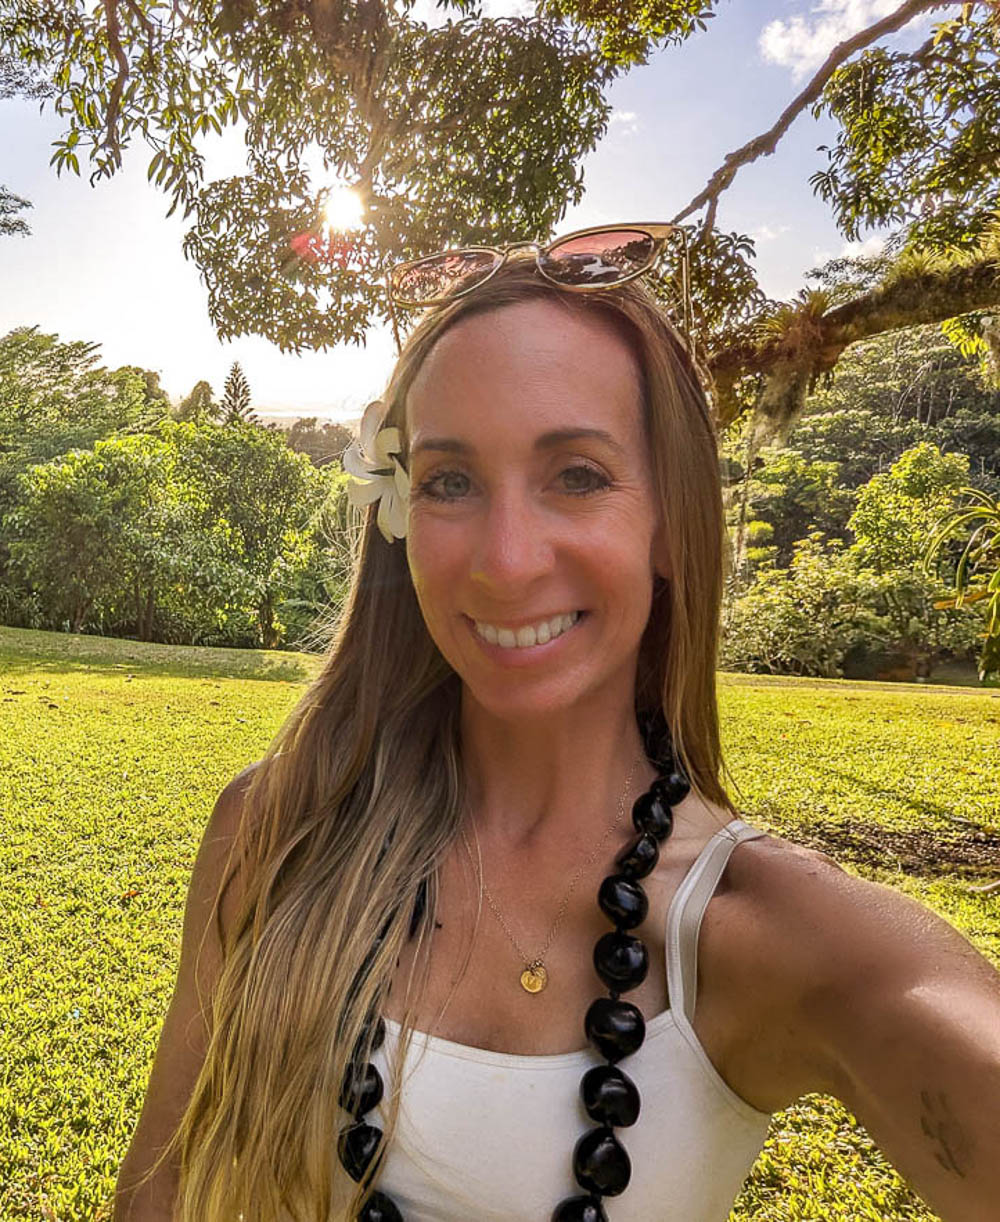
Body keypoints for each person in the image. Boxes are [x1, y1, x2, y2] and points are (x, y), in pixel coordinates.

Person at [113, 230, 1000, 1222]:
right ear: (400, 509)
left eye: (576, 474)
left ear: (668, 520)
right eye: (450, 480)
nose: (503, 558)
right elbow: (163, 1183)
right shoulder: (278, 829)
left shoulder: (761, 933)